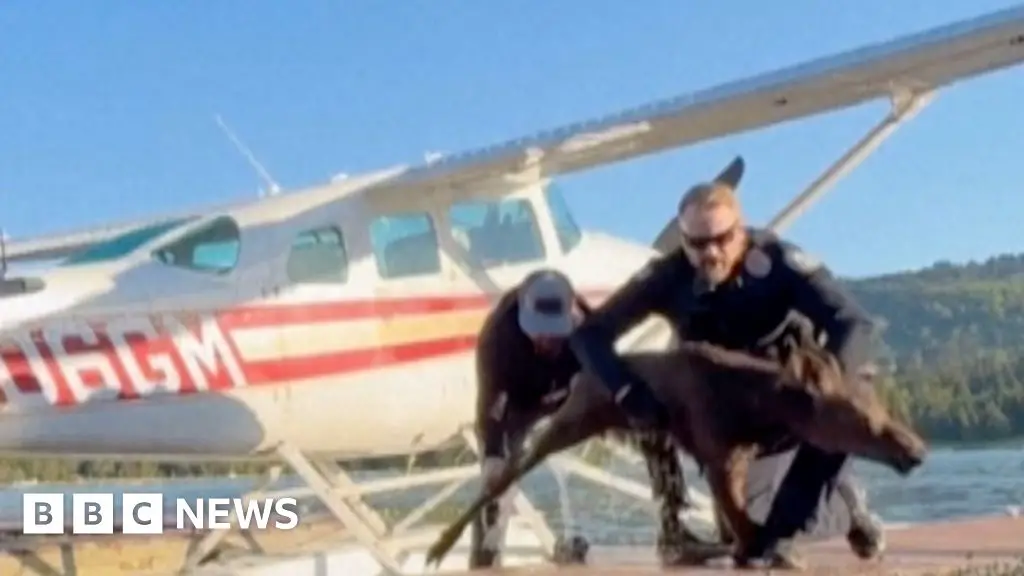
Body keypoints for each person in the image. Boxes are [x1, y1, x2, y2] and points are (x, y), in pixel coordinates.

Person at [568, 178, 885, 566]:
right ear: (682, 240)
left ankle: (846, 504)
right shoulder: (669, 277)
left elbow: (853, 322)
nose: (712, 252)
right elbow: (589, 335)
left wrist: (830, 391)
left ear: (742, 230)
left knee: (770, 528)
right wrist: (628, 393)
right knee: (735, 529)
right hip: (720, 413)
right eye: (698, 243)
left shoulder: (778, 263)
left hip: (787, 403)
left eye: (723, 238)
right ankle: (675, 526)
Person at [471, 268, 706, 569]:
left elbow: (609, 370)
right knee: (496, 480)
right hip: (520, 403)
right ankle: (485, 561)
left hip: (579, 390)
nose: (548, 341)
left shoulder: (584, 323)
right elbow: (492, 405)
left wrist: (639, 408)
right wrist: (493, 454)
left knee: (652, 428)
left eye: (556, 333)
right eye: (539, 332)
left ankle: (675, 533)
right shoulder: (498, 338)